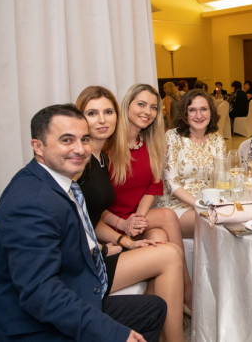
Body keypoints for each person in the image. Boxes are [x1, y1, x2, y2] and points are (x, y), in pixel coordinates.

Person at [0, 104, 166, 341]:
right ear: (38, 146)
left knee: (153, 309)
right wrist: (115, 333)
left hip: (71, 287)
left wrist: (107, 248)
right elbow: (41, 294)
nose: (80, 149)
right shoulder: (32, 202)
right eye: (67, 140)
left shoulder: (55, 181)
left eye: (84, 139)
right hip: (30, 325)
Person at [75, 86, 185, 341]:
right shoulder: (80, 162)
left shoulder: (99, 159)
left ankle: (156, 321)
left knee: (160, 237)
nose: (102, 120)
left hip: (103, 243)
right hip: (85, 262)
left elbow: (91, 215)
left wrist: (123, 239)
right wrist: (116, 240)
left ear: (117, 115)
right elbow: (82, 220)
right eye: (92, 113)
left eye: (107, 112)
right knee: (169, 252)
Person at [106, 84, 193, 311]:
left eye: (153, 107)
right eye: (141, 104)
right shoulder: (107, 145)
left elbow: (152, 187)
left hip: (134, 218)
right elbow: (94, 201)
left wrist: (138, 218)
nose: (148, 112)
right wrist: (124, 223)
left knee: (160, 233)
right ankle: (187, 288)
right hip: (109, 223)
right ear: (127, 106)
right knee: (167, 216)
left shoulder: (150, 143)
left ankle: (157, 309)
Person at [155, 90, 226, 236]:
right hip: (176, 206)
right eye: (192, 110)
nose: (199, 116)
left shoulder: (217, 139)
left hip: (208, 203)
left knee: (236, 217)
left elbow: (221, 178)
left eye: (204, 109)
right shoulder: (173, 137)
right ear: (184, 114)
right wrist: (200, 205)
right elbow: (171, 184)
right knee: (214, 222)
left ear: (211, 112)